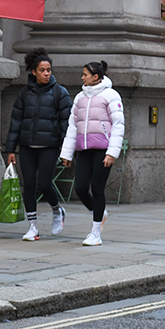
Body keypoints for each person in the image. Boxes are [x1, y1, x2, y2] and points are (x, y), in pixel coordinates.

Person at [5, 49, 72, 241]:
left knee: (44, 183)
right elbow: (16, 121)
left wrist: (67, 151)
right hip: (27, 146)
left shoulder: (60, 93)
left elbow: (66, 124)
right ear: (33, 72)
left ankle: (57, 211)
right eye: (42, 70)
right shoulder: (24, 94)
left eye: (49, 70)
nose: (46, 73)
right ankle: (32, 226)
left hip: (49, 146)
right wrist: (11, 149)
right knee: (28, 185)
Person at [59, 60, 124, 246]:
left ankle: (96, 233)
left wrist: (112, 153)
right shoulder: (79, 97)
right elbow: (73, 126)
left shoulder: (111, 95)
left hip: (103, 150)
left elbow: (118, 125)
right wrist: (67, 153)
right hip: (84, 150)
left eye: (85, 74)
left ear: (96, 76)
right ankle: (100, 212)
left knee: (97, 188)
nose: (82, 77)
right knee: (79, 188)